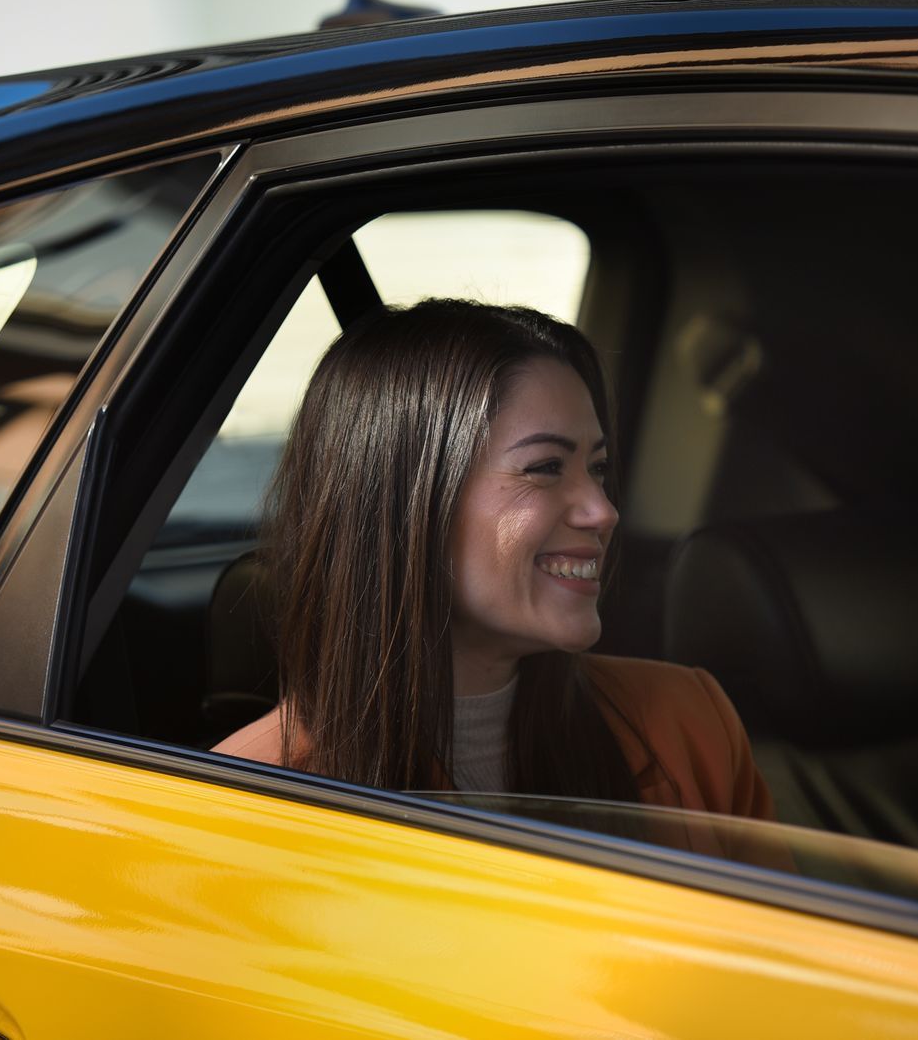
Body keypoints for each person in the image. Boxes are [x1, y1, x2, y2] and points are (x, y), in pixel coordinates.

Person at [214, 298, 772, 819]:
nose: (603, 511)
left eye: (597, 468)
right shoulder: (251, 804)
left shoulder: (691, 723)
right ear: (406, 502)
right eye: (545, 467)